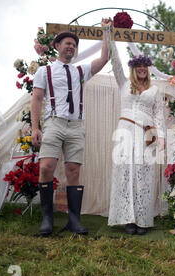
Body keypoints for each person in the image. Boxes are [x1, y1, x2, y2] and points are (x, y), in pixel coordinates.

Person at [30, 19, 112, 236]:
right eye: (67, 43)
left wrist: (106, 31)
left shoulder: (80, 71)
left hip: (76, 125)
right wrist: (35, 128)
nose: (71, 47)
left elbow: (105, 58)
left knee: (73, 171)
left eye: (74, 45)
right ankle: (47, 219)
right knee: (46, 167)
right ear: (57, 46)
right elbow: (37, 98)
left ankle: (73, 220)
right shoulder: (44, 71)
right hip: (54, 122)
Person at [106, 24, 166, 235]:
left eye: (144, 66)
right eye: (138, 66)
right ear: (133, 68)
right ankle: (127, 219)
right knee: (125, 173)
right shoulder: (123, 83)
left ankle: (142, 219)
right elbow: (115, 62)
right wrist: (109, 34)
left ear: (147, 69)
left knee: (143, 175)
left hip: (147, 134)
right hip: (125, 131)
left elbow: (159, 114)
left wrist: (162, 137)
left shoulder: (155, 90)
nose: (141, 69)